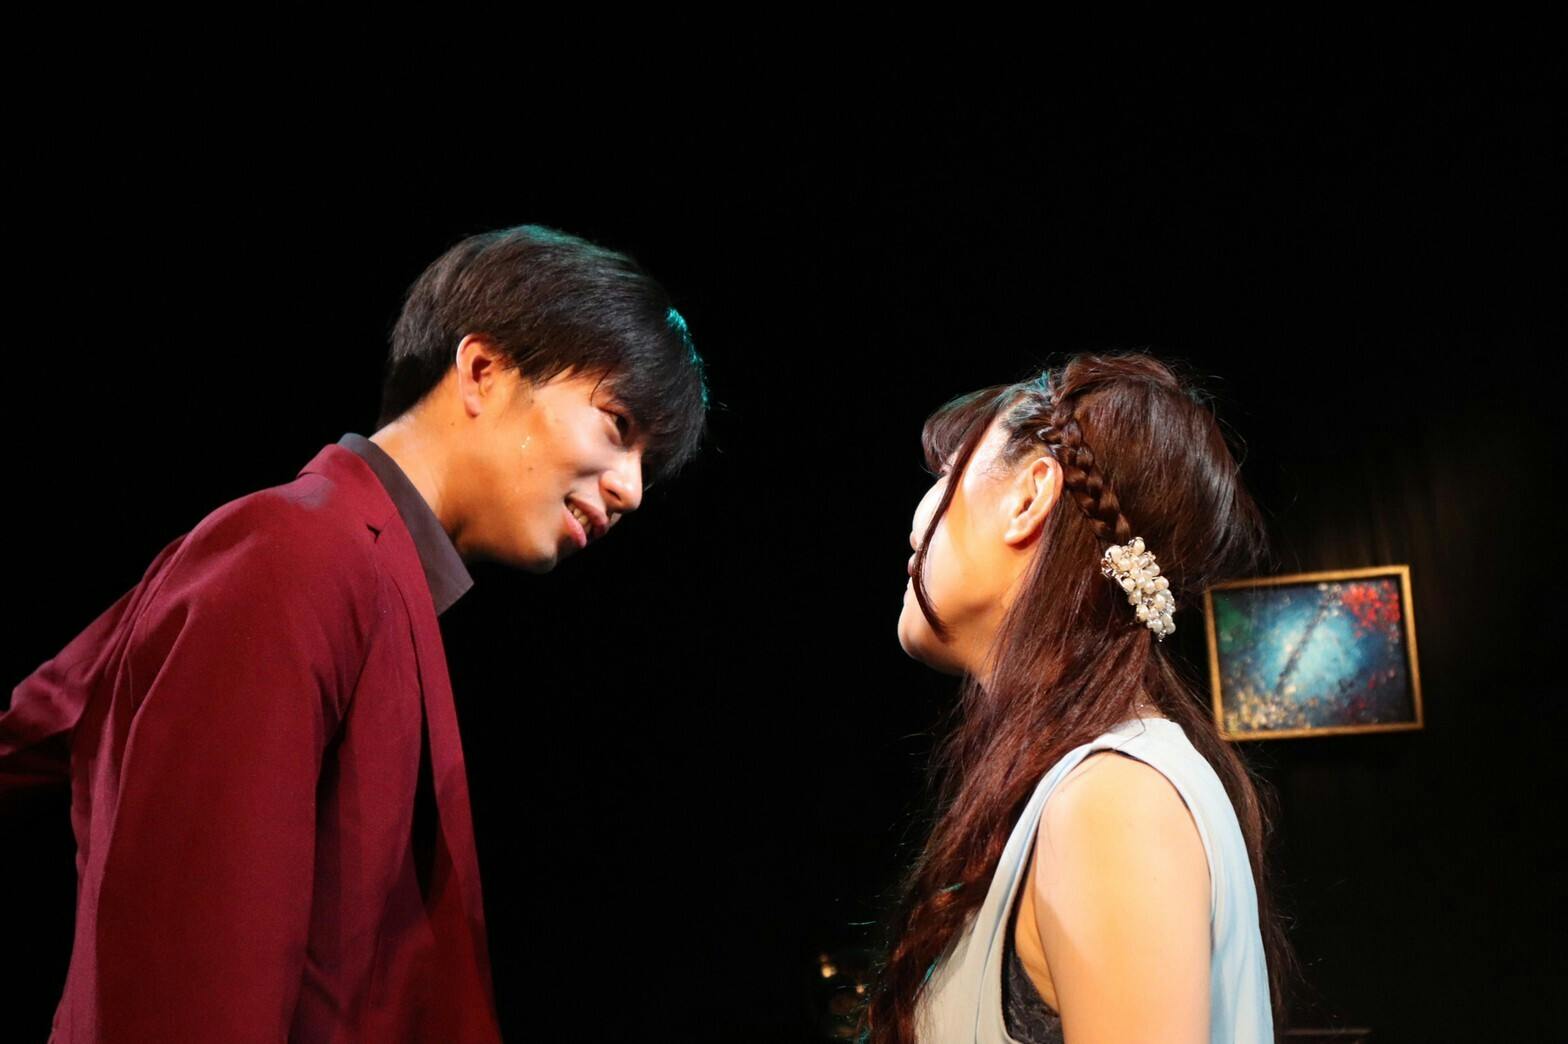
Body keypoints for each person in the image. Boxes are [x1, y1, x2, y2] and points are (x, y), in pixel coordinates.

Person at [0, 224, 708, 1042]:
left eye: (648, 465)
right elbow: (192, 989)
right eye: (617, 424)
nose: (631, 491)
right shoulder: (298, 553)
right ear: (483, 371)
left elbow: (44, 720)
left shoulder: (345, 564)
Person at [862, 353, 1298, 1043]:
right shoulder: (1101, 785)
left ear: (1030, 496)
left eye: (947, 474)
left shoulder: (1116, 801)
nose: (917, 522)